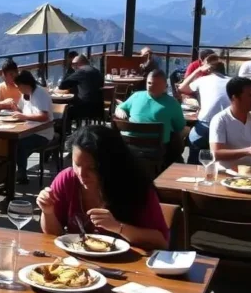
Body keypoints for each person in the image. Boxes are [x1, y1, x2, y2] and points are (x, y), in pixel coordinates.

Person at [36, 125, 168, 251]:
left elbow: (161, 242)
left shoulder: (135, 186)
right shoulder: (67, 179)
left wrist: (118, 227)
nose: (81, 174)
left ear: (112, 164)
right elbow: (54, 235)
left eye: (92, 168)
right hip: (78, 264)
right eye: (77, 164)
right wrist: (48, 212)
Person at [114, 69, 185, 160]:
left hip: (129, 147)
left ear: (165, 85)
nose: (151, 86)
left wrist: (119, 109)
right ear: (165, 86)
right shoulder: (172, 103)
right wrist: (120, 109)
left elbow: (120, 107)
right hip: (156, 150)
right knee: (179, 135)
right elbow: (179, 127)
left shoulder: (136, 96)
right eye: (149, 83)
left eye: (155, 84)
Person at [209, 77, 251, 169]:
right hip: (229, 173)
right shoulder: (220, 120)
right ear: (235, 98)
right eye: (250, 95)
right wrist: (247, 151)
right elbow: (216, 154)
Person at [178, 56, 231, 159]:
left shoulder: (203, 80)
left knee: (193, 142)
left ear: (209, 70)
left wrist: (197, 71)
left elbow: (182, 87)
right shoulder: (233, 81)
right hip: (228, 125)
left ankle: (193, 165)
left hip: (206, 123)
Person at [11, 70, 54, 184]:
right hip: (28, 130)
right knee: (11, 143)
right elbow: (22, 110)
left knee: (20, 144)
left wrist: (23, 116)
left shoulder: (40, 93)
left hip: (43, 133)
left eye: (18, 86)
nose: (18, 88)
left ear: (25, 84)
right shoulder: (26, 94)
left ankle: (21, 175)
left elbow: (44, 116)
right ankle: (11, 172)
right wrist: (15, 109)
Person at [59, 55, 105, 121]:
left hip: (85, 108)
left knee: (65, 111)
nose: (72, 66)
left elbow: (62, 85)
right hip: (98, 107)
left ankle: (64, 130)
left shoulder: (81, 71)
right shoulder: (96, 71)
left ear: (79, 63)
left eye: (74, 64)